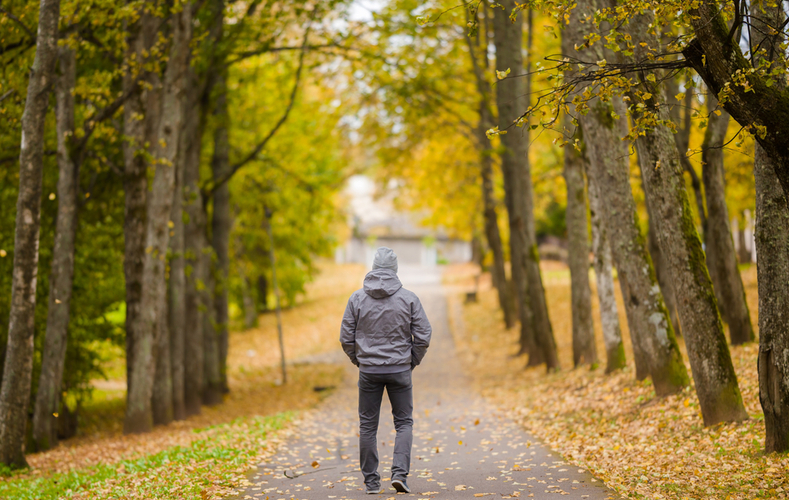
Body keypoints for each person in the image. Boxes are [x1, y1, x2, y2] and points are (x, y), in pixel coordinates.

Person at [340, 247, 432, 495]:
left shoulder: (357, 298)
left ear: (373, 267)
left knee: (368, 425)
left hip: (369, 371)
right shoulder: (409, 298)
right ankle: (399, 474)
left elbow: (345, 337)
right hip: (400, 369)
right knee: (404, 423)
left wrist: (360, 360)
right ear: (395, 270)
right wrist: (411, 361)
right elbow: (423, 335)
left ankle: (371, 483)